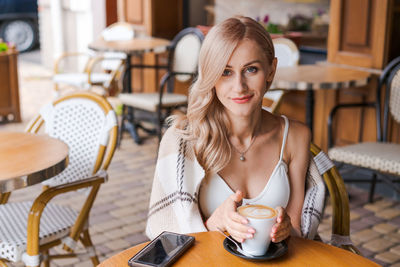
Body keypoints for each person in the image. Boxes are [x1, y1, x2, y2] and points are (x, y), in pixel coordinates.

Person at [146, 16, 311, 245]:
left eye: (251, 69)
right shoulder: (184, 141)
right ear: (210, 76)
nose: (239, 87)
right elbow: (165, 238)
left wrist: (285, 229)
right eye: (225, 72)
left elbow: (297, 230)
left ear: (271, 71)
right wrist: (216, 222)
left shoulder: (295, 137)